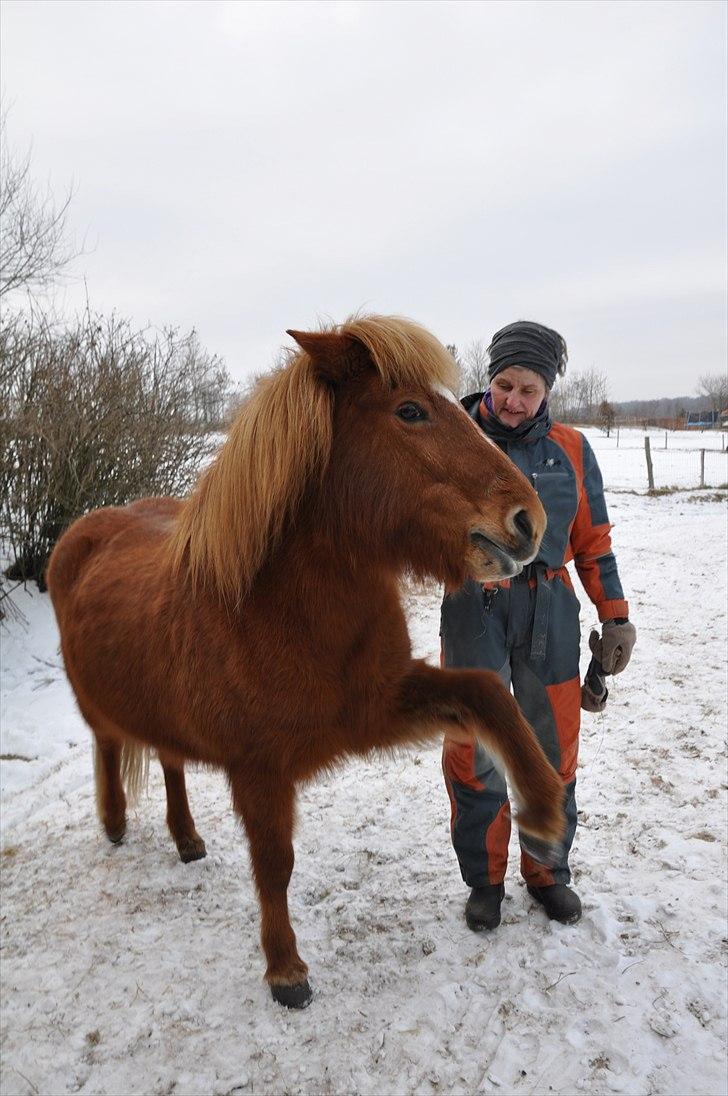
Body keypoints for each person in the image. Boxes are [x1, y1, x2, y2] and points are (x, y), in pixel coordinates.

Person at [441, 320, 636, 930]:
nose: (513, 400)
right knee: (476, 751)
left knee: (551, 751)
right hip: (475, 608)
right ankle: (486, 882)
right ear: (489, 380)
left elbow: (593, 542)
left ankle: (548, 873)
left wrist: (617, 615)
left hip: (550, 611)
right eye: (504, 384)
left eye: (528, 389)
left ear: (546, 391)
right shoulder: (455, 440)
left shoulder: (573, 450)